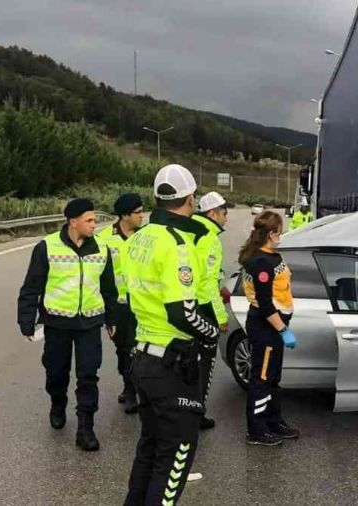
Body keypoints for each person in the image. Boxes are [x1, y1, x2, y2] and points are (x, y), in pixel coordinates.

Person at [123, 164, 220, 506]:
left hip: (143, 358)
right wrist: (210, 334)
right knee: (176, 452)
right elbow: (182, 313)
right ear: (191, 198)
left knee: (149, 447)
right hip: (171, 364)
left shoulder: (140, 237)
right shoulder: (177, 245)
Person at [17, 198, 118, 452]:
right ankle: (57, 402)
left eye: (95, 219)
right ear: (73, 222)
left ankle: (86, 427)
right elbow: (31, 287)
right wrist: (26, 320)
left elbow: (109, 288)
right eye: (89, 220)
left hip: (89, 323)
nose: (95, 224)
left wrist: (112, 318)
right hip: (57, 323)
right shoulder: (46, 247)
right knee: (56, 372)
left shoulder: (101, 248)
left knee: (88, 374)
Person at [240, 211, 299, 446]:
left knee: (273, 378)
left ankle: (274, 421)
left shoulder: (269, 256)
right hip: (266, 328)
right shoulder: (261, 262)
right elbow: (265, 304)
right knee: (261, 380)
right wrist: (283, 329)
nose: (281, 235)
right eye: (279, 231)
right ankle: (257, 429)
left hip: (273, 328)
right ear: (271, 234)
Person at [97, 193, 146, 414]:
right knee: (124, 349)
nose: (142, 215)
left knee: (143, 348)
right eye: (138, 212)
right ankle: (129, 390)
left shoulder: (147, 236)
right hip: (119, 305)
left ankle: (139, 388)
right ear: (125, 215)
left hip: (144, 302)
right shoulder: (104, 238)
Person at [191, 191, 230, 430]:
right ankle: (197, 412)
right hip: (203, 308)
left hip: (183, 305)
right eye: (224, 213)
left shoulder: (189, 231)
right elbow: (208, 282)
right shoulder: (210, 238)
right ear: (212, 213)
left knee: (186, 363)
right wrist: (221, 316)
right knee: (204, 364)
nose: (227, 218)